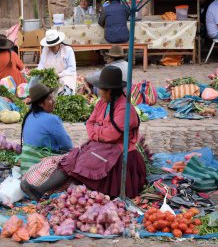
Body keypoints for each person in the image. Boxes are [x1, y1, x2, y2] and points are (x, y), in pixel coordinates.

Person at [21, 66, 146, 200]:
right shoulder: (101, 104)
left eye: (101, 90)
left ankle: (56, 191)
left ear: (110, 90)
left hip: (120, 151)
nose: (99, 93)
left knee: (84, 162)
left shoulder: (125, 109)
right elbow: (90, 123)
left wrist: (97, 133)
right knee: (71, 158)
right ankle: (40, 189)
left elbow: (112, 135)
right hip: (102, 146)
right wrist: (99, 134)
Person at [20, 83, 73, 173]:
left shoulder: (28, 117)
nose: (53, 101)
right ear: (40, 103)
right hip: (42, 170)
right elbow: (68, 146)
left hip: (27, 167)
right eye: (49, 99)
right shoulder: (52, 119)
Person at [38, 29, 77, 95]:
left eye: (53, 47)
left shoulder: (68, 50)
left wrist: (59, 75)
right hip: (49, 77)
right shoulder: (45, 49)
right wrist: (41, 72)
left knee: (65, 88)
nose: (51, 49)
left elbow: (72, 69)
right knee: (37, 83)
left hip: (65, 76)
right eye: (50, 47)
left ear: (58, 43)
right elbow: (41, 65)